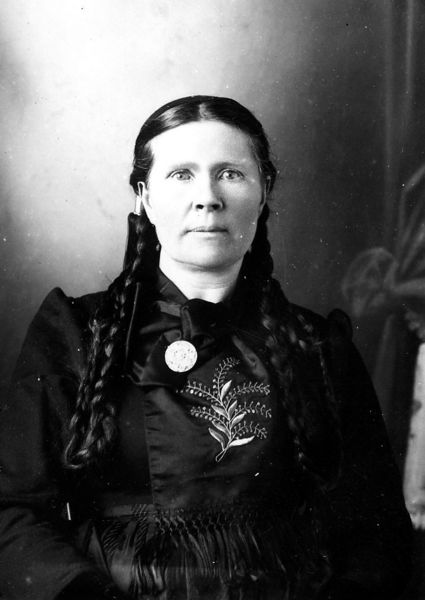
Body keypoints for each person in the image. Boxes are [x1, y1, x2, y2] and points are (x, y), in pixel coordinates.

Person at [0, 95, 413, 600]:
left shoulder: (316, 343)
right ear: (144, 197)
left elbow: (377, 531)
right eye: (181, 175)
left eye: (230, 174)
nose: (208, 198)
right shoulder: (78, 331)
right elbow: (13, 514)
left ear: (264, 192)